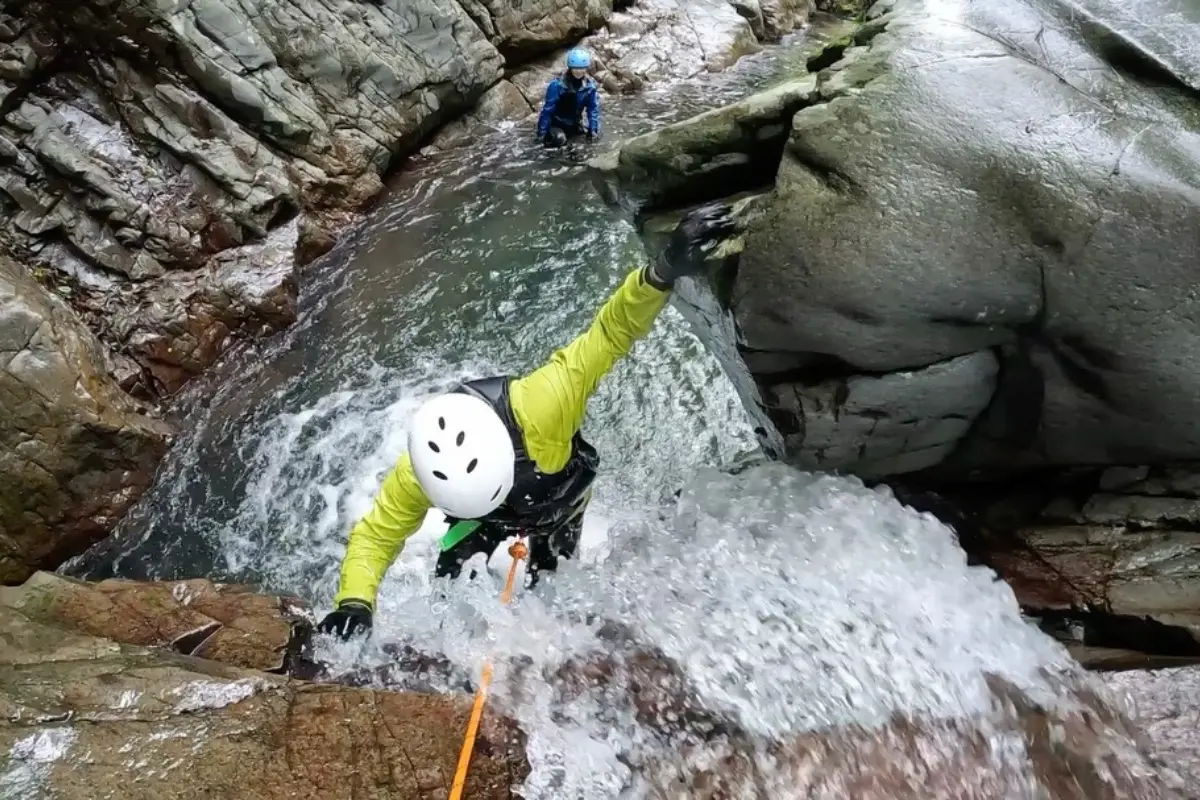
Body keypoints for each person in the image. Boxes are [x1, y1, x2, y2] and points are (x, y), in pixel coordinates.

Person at [316, 203, 736, 641]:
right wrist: (355, 603)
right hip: (480, 524)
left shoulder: (545, 404)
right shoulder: (420, 469)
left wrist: (664, 269)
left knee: (550, 590)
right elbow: (375, 537)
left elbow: (610, 332)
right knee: (447, 592)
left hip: (560, 505)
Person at [536, 48, 600, 148]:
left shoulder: (589, 87)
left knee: (588, 141)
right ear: (570, 68)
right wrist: (541, 134)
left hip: (575, 125)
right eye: (575, 68)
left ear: (586, 68)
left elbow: (592, 110)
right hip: (556, 125)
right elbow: (547, 111)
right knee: (559, 139)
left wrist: (593, 130)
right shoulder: (557, 85)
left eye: (582, 68)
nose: (579, 71)